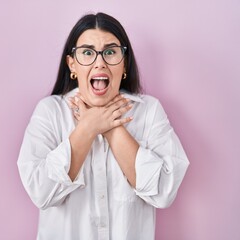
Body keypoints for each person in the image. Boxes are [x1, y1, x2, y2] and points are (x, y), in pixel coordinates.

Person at [17, 12, 189, 240]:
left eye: (110, 52)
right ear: (73, 64)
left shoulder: (149, 111)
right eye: (87, 52)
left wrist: (109, 126)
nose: (100, 62)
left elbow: (164, 191)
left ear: (124, 63)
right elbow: (42, 192)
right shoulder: (50, 112)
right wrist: (87, 129)